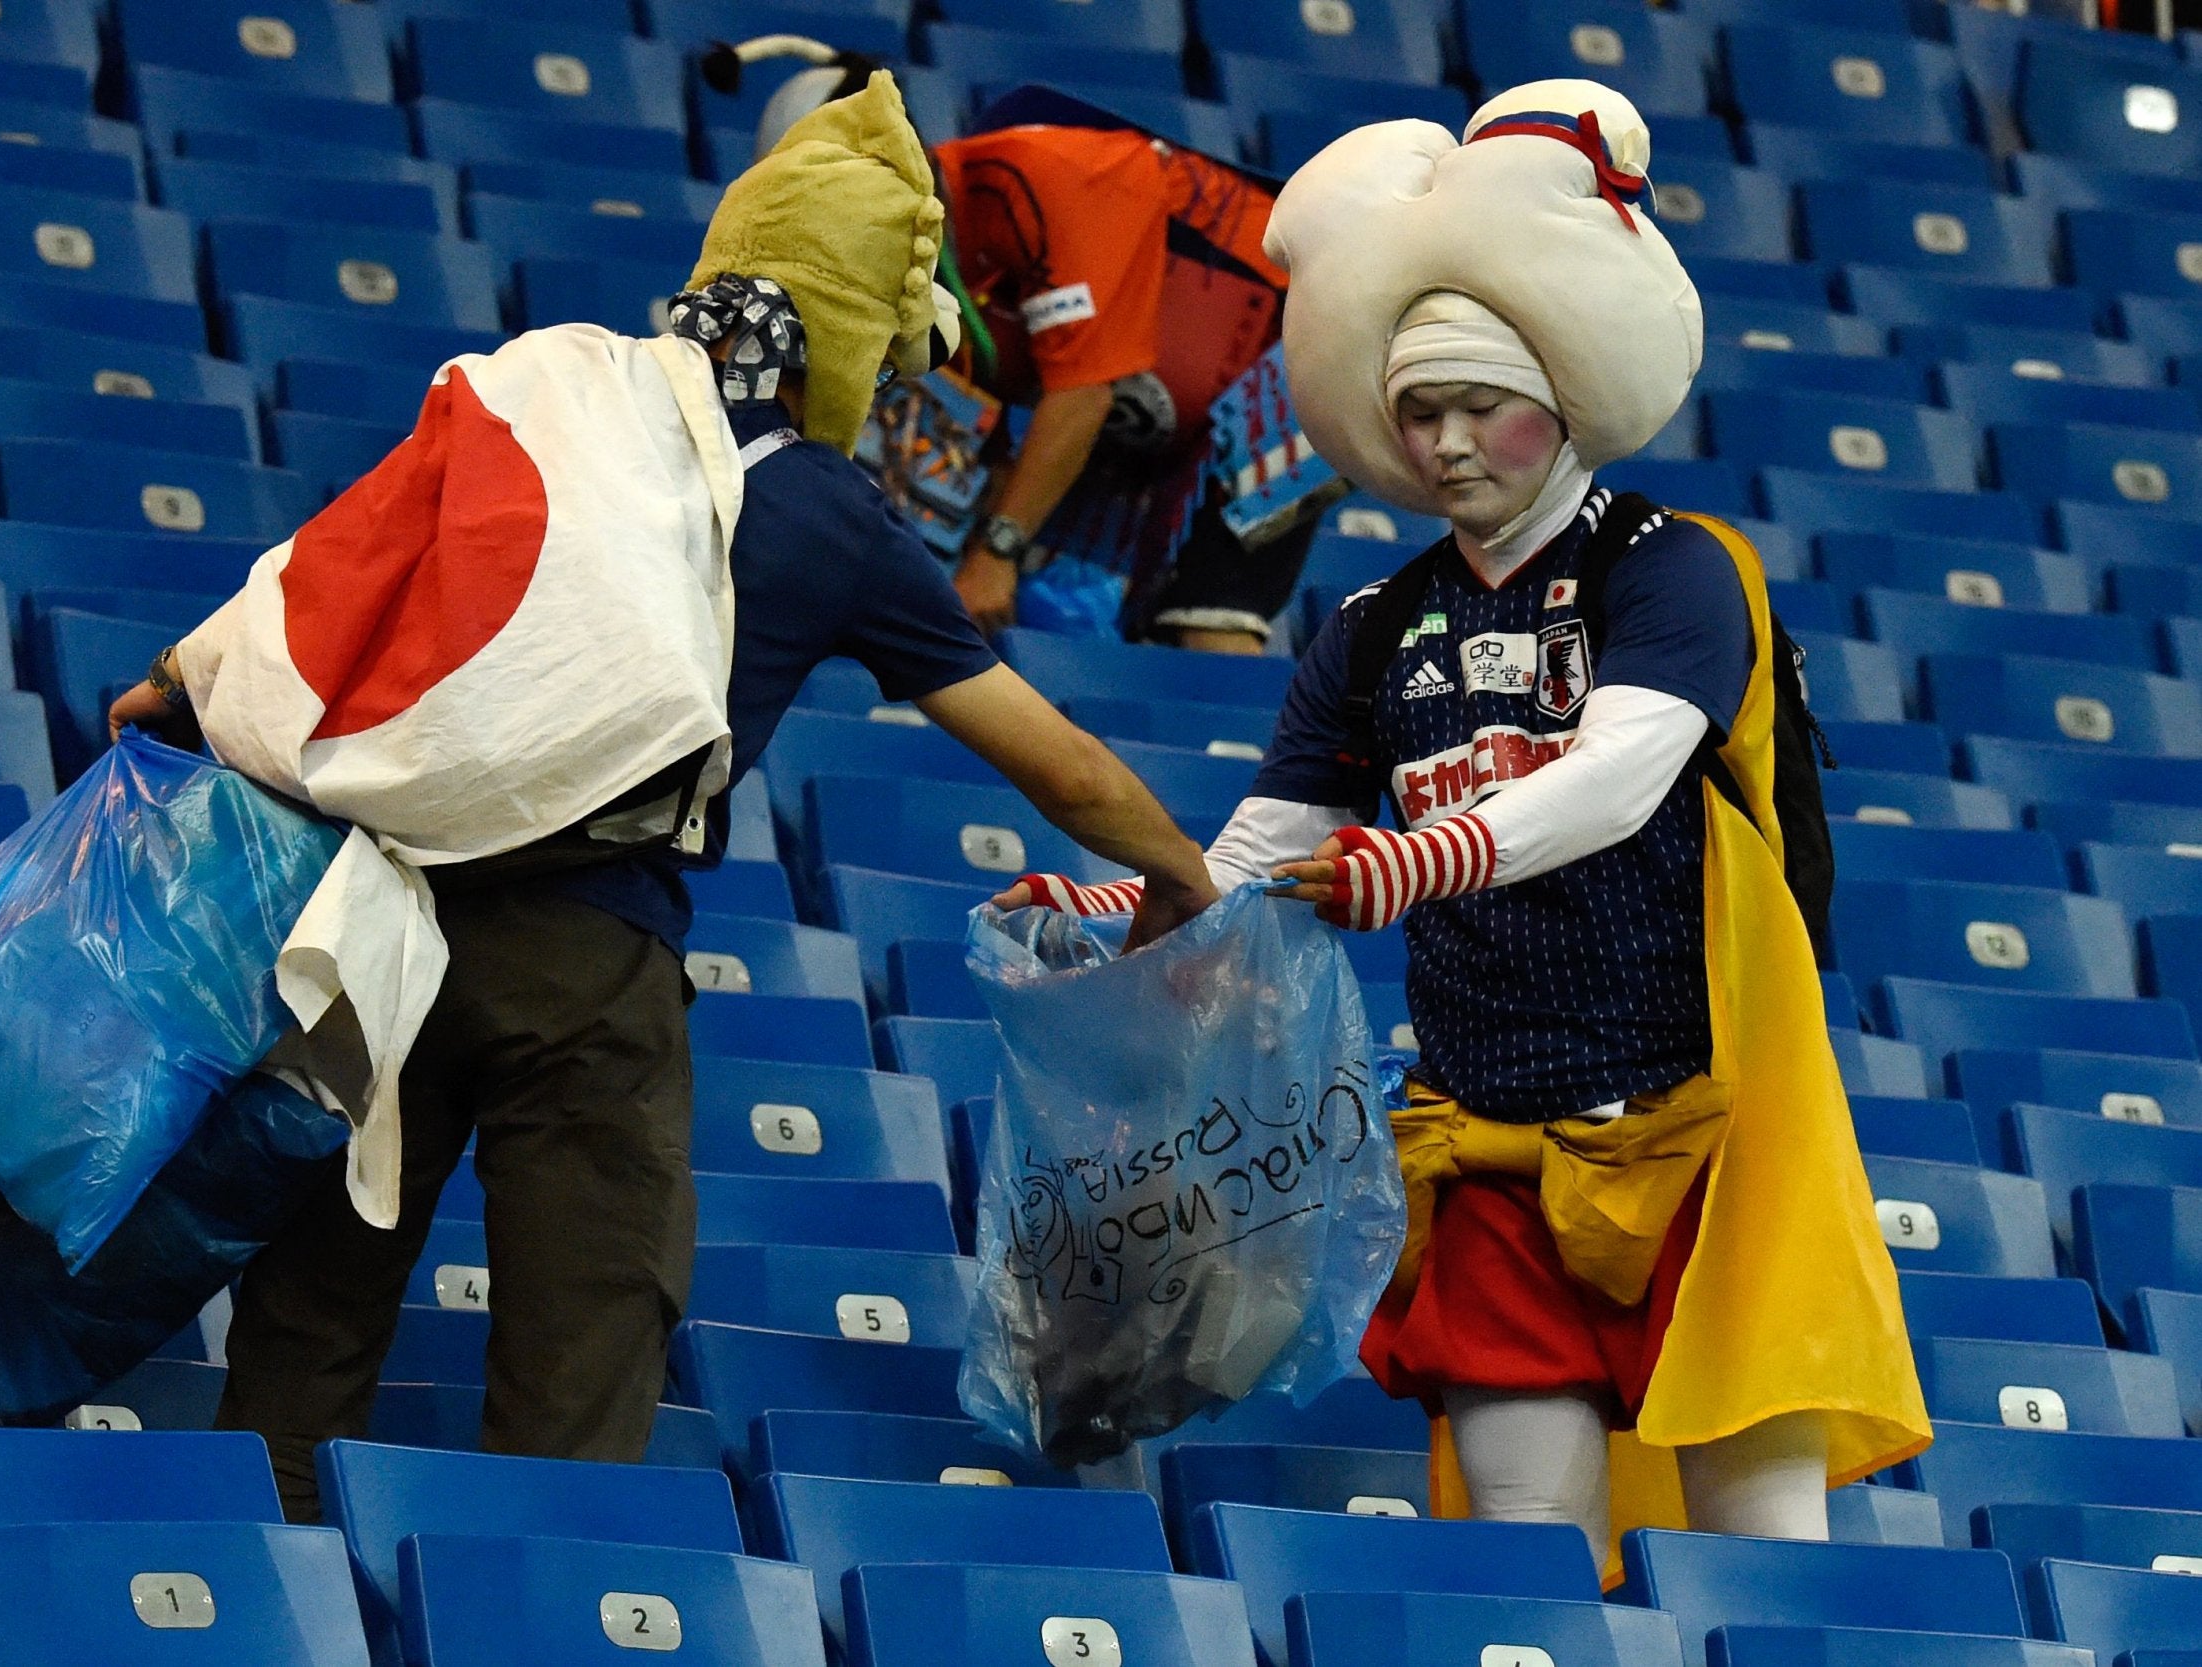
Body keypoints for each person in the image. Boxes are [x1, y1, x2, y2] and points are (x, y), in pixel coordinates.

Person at [107, 75, 1217, 1520]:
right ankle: (538, 1607)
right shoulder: (828, 509)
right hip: (582, 962)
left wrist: (174, 687)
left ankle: (255, 1601)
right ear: (855, 329)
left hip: (376, 925)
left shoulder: (548, 395)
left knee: (313, 1320)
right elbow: (1057, 763)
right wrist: (1183, 873)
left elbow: (328, 578)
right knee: (586, 1337)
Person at [1007, 82, 1927, 1569]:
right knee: (1522, 1547)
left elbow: (1622, 772)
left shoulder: (1676, 568)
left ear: (1562, 396)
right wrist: (1113, 904)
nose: (1445, 440)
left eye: (1478, 403)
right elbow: (1255, 858)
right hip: (1490, 1137)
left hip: (1702, 1135)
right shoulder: (1374, 630)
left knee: (1765, 1546)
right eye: (1416, 408)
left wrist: (1417, 855)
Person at [931, 97, 1317, 651]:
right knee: (1053, 592)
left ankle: (1235, 735)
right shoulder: (928, 248)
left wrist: (995, 552)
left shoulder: (1048, 179)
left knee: (1204, 617)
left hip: (1293, 349)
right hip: (1143, 407)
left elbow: (1083, 398)